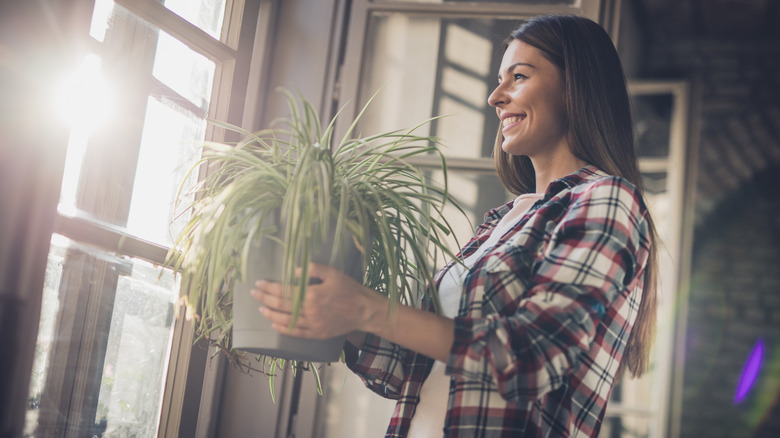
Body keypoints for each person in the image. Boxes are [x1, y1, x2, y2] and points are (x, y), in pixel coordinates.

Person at [252, 14, 658, 437]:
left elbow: (530, 358)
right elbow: (416, 371)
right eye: (500, 79)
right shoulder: (504, 220)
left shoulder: (607, 200)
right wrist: (336, 311)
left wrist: (363, 307)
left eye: (518, 77)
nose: (495, 97)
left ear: (577, 86)